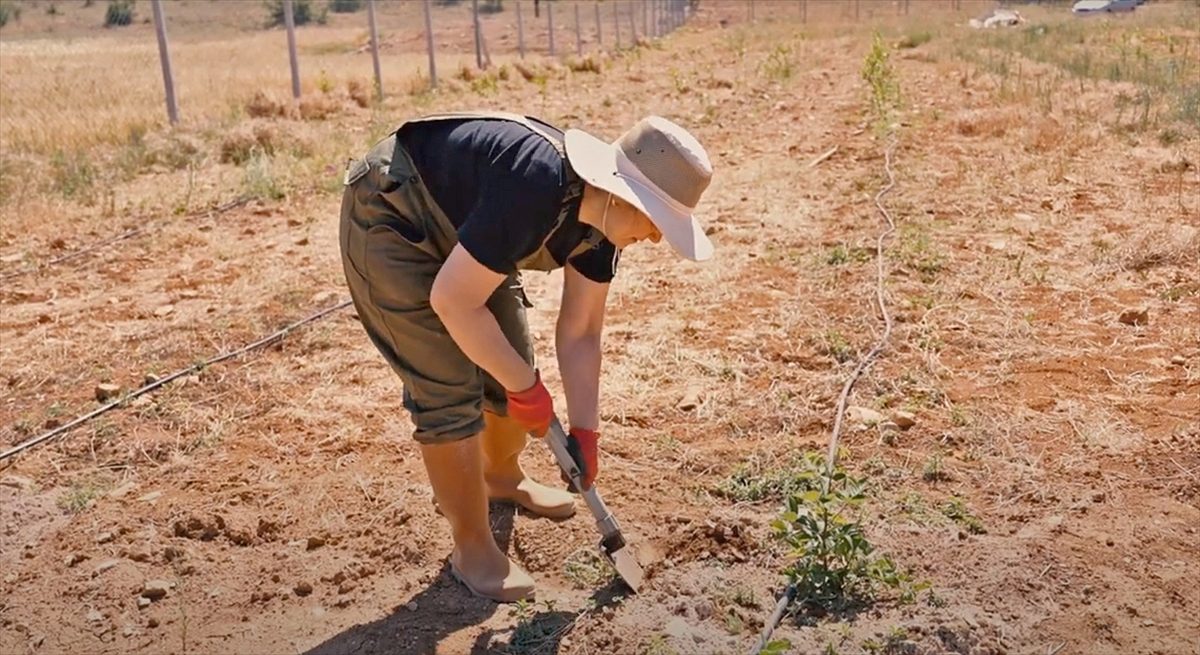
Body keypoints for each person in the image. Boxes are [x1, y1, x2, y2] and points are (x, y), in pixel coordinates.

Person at [338, 110, 714, 602]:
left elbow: (581, 332)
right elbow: (454, 301)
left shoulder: (600, 229)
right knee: (448, 388)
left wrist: (585, 430)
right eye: (656, 220)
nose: (657, 236)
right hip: (394, 214)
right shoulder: (535, 185)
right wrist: (525, 388)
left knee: (511, 358)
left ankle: (501, 476)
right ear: (623, 194)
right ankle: (472, 548)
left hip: (468, 228)